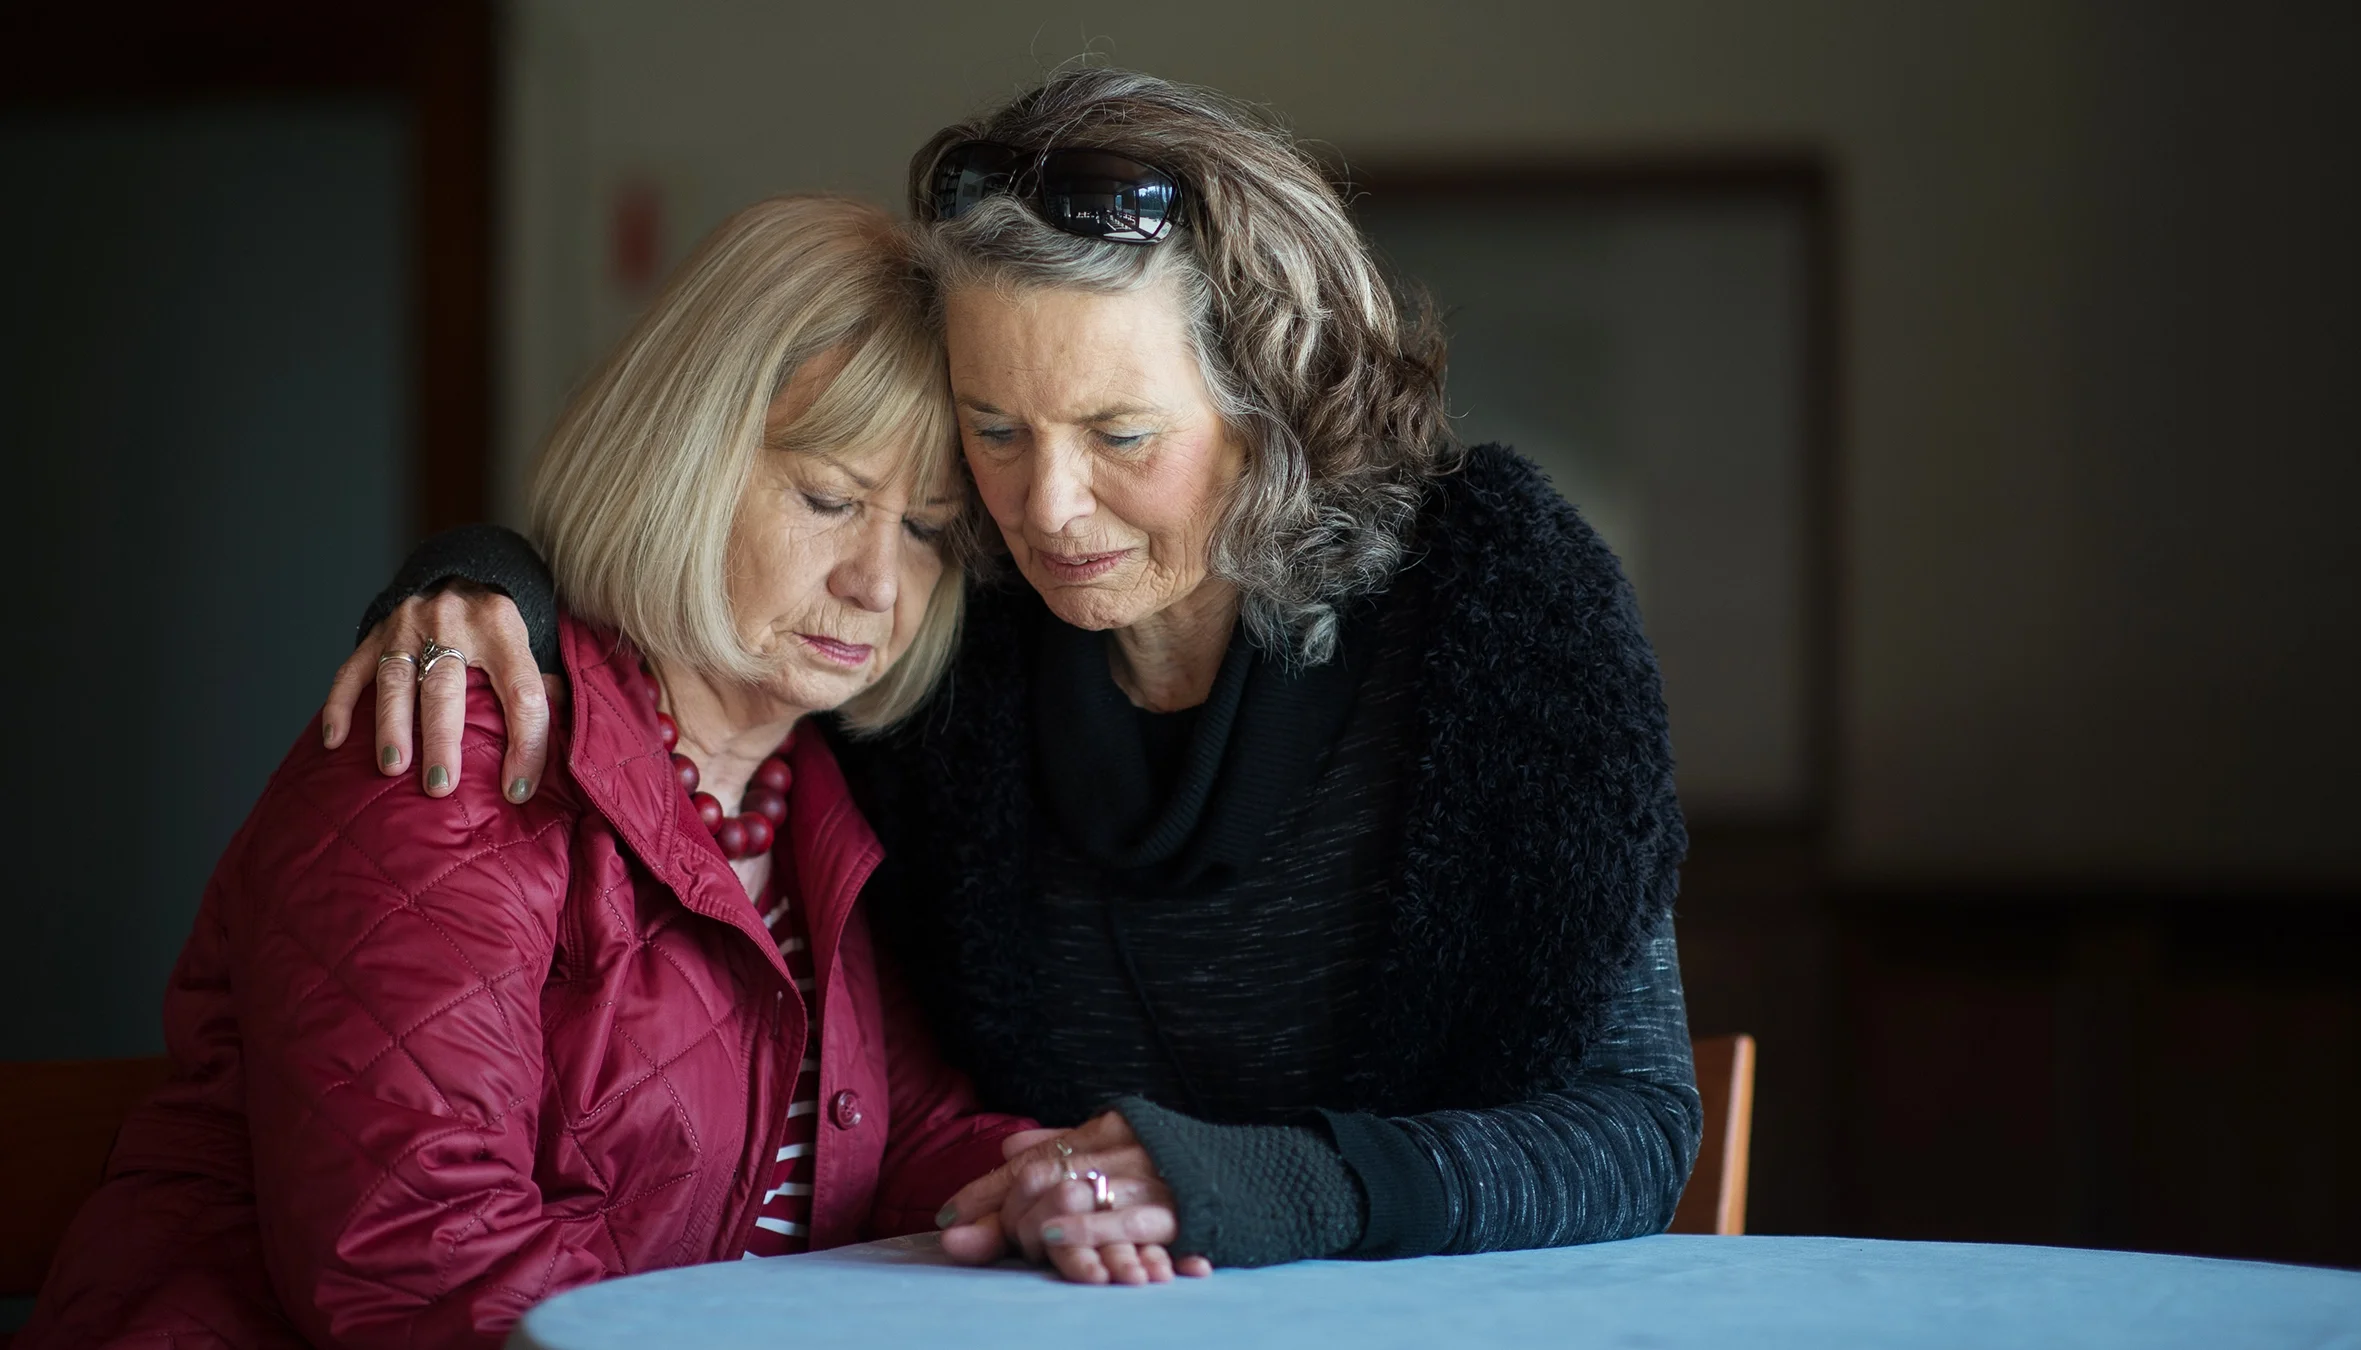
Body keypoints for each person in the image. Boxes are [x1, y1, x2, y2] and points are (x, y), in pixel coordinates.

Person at [332, 67, 1701, 1288]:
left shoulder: (1500, 607)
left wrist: (1272, 1182)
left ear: (1272, 401)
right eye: (995, 428)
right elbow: (707, 567)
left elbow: (1635, 1127)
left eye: (1119, 433)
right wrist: (488, 573)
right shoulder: (950, 618)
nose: (1047, 508)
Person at [22, 196, 1050, 1350]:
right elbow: (421, 1251)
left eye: (927, 530)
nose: (879, 583)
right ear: (681, 465)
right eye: (830, 499)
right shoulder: (454, 741)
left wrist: (1045, 1188)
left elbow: (900, 1143)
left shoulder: (805, 793)